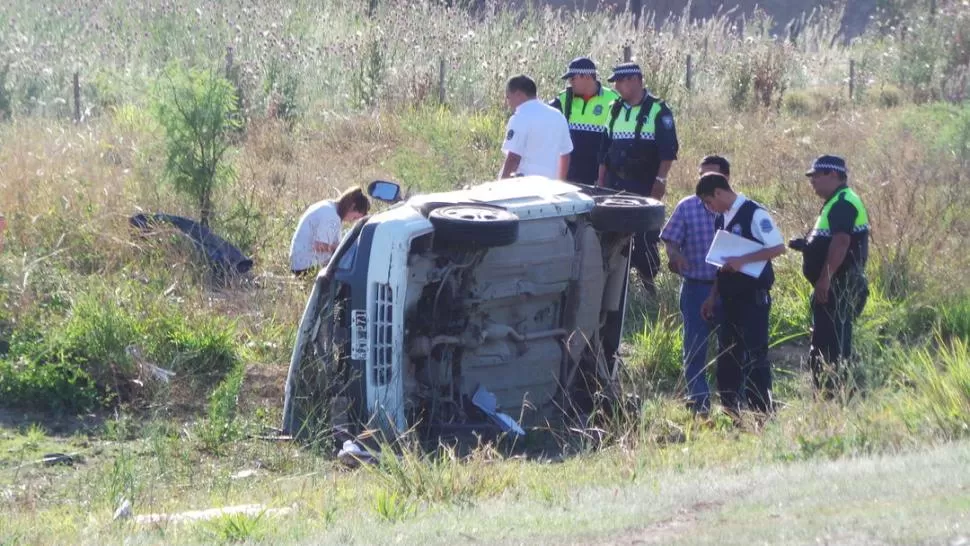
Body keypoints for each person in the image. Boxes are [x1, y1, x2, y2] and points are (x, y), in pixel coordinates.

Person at [697, 173, 786, 414]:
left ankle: (761, 411)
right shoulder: (721, 219)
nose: (709, 207)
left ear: (718, 192)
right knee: (727, 354)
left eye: (709, 201)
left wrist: (742, 260)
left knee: (755, 355)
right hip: (728, 298)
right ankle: (730, 409)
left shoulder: (754, 213)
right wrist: (712, 296)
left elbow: (778, 247)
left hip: (752, 297)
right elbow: (720, 262)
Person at [789, 155, 870, 397]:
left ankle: (833, 397)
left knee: (831, 346)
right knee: (828, 341)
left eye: (816, 175)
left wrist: (825, 278)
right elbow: (831, 241)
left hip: (838, 285)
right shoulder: (837, 201)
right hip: (835, 283)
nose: (812, 180)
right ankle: (830, 393)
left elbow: (842, 242)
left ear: (833, 175)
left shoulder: (843, 202)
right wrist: (808, 245)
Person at [597, 62, 679, 295]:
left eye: (621, 82)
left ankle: (649, 286)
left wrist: (660, 182)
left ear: (635, 80)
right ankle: (616, 287)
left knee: (644, 237)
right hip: (614, 185)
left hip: (643, 184)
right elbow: (604, 149)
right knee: (610, 235)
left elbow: (667, 151)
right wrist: (601, 182)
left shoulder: (658, 110)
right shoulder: (614, 108)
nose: (618, 87)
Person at [659, 156, 729, 415]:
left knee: (731, 347)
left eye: (711, 176)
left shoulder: (736, 209)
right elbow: (670, 239)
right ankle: (699, 402)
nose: (704, 181)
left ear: (725, 179)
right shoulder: (687, 206)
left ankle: (734, 402)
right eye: (701, 175)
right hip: (696, 287)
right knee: (694, 346)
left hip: (729, 290)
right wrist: (674, 255)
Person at [548, 57, 620, 185]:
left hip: (598, 174)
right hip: (569, 172)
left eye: (573, 78)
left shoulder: (613, 99)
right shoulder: (563, 98)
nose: (570, 82)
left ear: (587, 76)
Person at [499, 75, 574, 180]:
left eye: (508, 97)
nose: (507, 103)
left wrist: (502, 187)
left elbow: (513, 158)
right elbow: (565, 154)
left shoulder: (520, 117)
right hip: (550, 188)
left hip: (524, 187)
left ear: (518, 94)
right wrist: (560, 184)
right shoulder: (558, 116)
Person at [288, 187, 370, 277]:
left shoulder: (331, 208)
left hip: (302, 263)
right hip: (305, 266)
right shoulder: (330, 215)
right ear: (352, 206)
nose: (351, 221)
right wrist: (342, 248)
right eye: (354, 217)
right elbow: (319, 246)